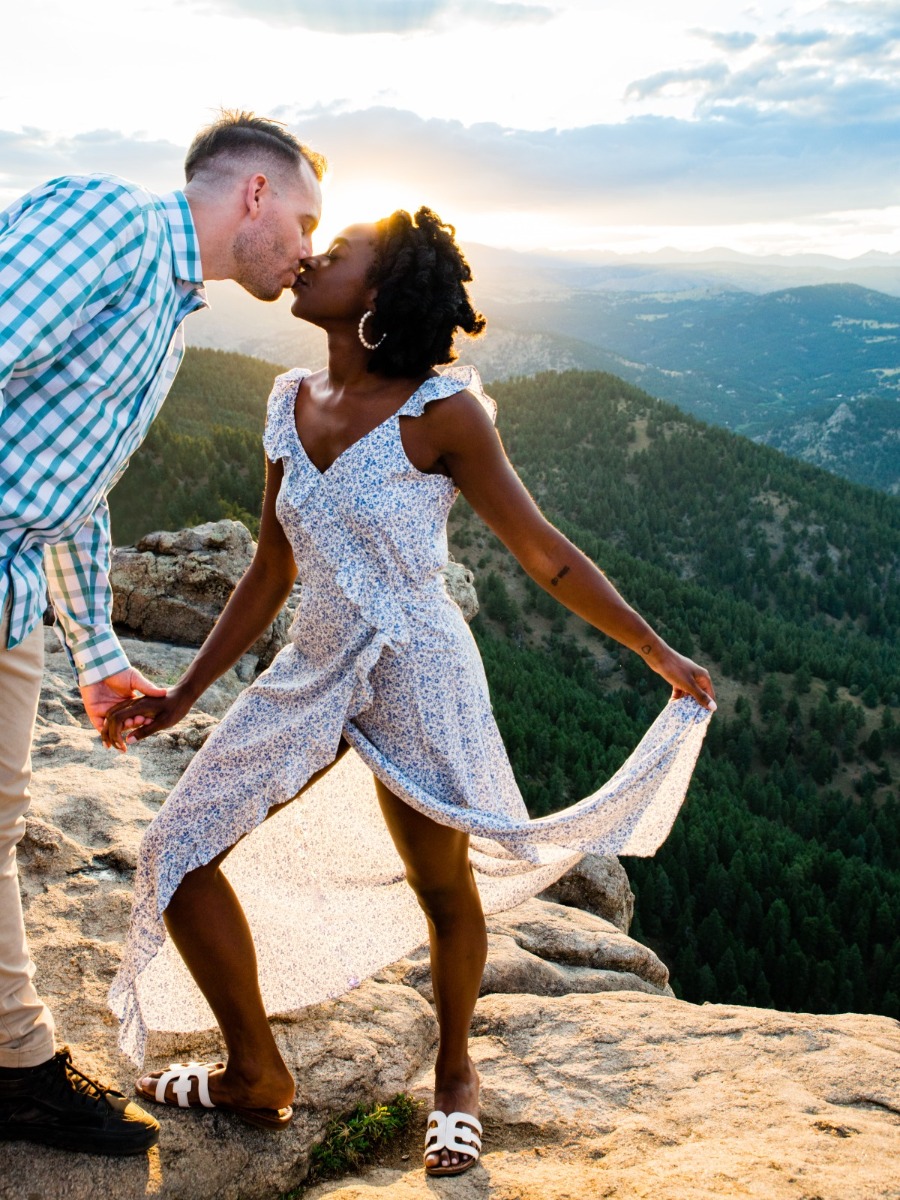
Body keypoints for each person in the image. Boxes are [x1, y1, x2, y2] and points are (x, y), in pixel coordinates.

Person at [104, 208, 716, 1177]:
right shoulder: (286, 399)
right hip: (311, 666)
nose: (309, 259)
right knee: (176, 852)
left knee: (440, 884)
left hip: (418, 664)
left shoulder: (445, 412)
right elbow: (268, 566)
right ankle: (256, 1070)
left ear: (381, 296)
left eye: (336, 254)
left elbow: (542, 553)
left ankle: (456, 1077)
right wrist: (185, 695)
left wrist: (655, 650)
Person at [0, 110, 325, 1156]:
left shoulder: (166, 307)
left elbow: (70, 491)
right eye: (308, 219)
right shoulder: (110, 225)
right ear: (257, 195)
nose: (311, 250)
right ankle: (16, 1069)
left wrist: (98, 659)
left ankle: (13, 1066)